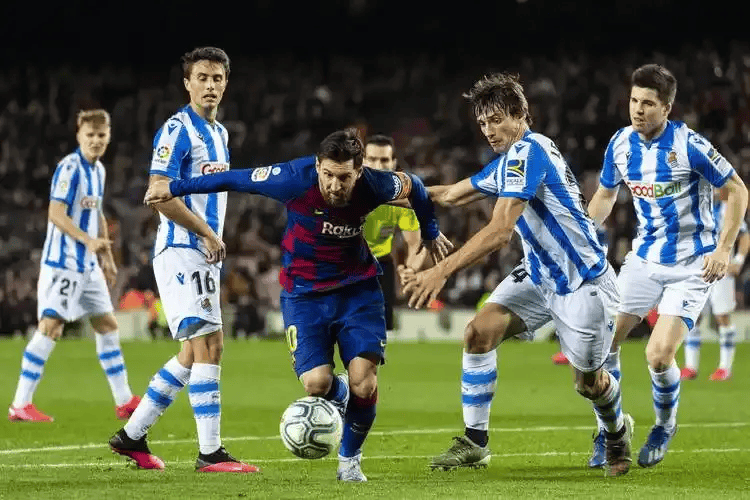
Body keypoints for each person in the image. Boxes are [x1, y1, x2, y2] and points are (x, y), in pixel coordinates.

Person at [144, 128, 451, 481]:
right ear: (317, 166)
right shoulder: (291, 178)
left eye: (344, 178)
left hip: (358, 290)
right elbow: (235, 178)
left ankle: (349, 462)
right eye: (328, 175)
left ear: (359, 171)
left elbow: (415, 186)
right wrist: (176, 187)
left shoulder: (376, 184)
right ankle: (341, 393)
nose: (334, 185)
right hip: (303, 294)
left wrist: (430, 231)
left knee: (364, 383)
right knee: (316, 384)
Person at [400, 72, 634, 477]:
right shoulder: (510, 162)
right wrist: (381, 191)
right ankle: (475, 442)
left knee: (588, 384)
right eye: (483, 123)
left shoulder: (530, 152)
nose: (488, 131)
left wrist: (441, 270)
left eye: (496, 120)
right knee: (478, 332)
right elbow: (449, 195)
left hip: (582, 283)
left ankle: (615, 430)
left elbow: (500, 231)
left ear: (520, 115)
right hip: (540, 276)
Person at [582, 63, 748, 469]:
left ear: (667, 108)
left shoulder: (689, 145)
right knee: (600, 348)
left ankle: (665, 424)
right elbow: (606, 195)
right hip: (644, 259)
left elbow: (738, 190)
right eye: (634, 100)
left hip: (693, 264)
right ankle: (611, 431)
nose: (638, 110)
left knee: (657, 355)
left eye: (648, 103)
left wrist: (724, 249)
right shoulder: (620, 144)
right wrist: (583, 233)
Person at [108, 47, 258, 473]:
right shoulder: (177, 130)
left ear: (226, 83)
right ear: (187, 83)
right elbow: (158, 194)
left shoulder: (220, 133)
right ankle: (210, 453)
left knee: (193, 353)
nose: (210, 85)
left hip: (202, 253)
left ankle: (131, 436)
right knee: (211, 344)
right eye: (202, 78)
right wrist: (206, 232)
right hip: (183, 249)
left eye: (217, 78)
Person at [8, 109, 141, 423]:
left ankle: (124, 401)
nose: (96, 140)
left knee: (107, 324)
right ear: (79, 136)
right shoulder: (70, 167)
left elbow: (97, 214)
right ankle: (20, 404)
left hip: (89, 265)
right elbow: (55, 212)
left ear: (108, 136)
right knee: (51, 326)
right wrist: (86, 240)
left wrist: (107, 257)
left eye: (101, 135)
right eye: (90, 135)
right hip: (64, 262)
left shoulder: (99, 171)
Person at [362, 134, 429, 331]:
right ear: (363, 161)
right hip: (345, 264)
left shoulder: (402, 199)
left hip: (380, 266)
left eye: (384, 160)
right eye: (372, 159)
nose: (378, 165)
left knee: (381, 331)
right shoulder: (344, 189)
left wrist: (410, 270)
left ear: (393, 163)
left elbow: (416, 244)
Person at [681, 193, 749, 381]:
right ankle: (690, 367)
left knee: (722, 316)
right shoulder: (694, 208)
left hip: (721, 270)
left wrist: (738, 260)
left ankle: (725, 368)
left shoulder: (729, 208)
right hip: (697, 270)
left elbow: (744, 236)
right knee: (693, 316)